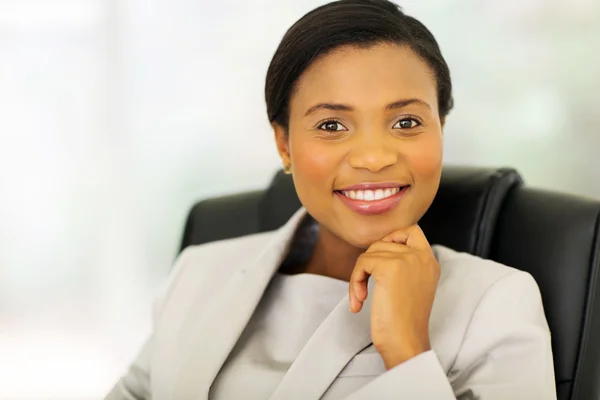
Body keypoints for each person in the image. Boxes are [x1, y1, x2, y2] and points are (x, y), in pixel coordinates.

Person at [106, 0, 556, 399]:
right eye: (331, 126)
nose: (374, 158)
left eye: (406, 122)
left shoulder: (495, 304)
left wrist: (407, 352)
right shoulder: (197, 274)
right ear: (284, 145)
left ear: (441, 128)